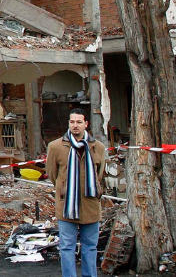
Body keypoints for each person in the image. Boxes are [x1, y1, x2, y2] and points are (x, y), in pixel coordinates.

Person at [46, 109, 106, 277]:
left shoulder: (98, 147)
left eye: (79, 122)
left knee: (90, 247)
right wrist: (65, 188)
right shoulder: (56, 147)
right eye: (72, 122)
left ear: (86, 124)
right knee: (66, 247)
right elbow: (52, 174)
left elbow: (99, 174)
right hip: (66, 206)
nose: (75, 125)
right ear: (68, 123)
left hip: (91, 205)